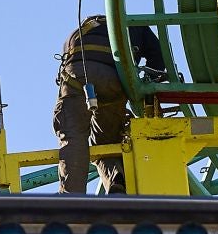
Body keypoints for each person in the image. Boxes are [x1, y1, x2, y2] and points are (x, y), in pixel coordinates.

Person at [53, 14, 166, 194]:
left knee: (73, 135)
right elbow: (159, 58)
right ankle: (116, 179)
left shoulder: (75, 34)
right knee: (106, 141)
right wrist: (146, 86)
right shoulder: (134, 26)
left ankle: (72, 196)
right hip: (114, 82)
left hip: (77, 79)